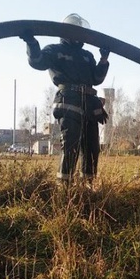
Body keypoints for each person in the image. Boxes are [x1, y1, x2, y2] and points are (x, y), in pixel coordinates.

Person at [20, 13, 110, 187]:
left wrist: (103, 60)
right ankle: (65, 188)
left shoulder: (87, 55)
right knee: (71, 145)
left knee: (92, 147)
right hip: (68, 101)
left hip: (89, 104)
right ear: (67, 32)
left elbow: (96, 78)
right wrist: (31, 43)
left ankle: (88, 186)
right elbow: (38, 62)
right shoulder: (55, 50)